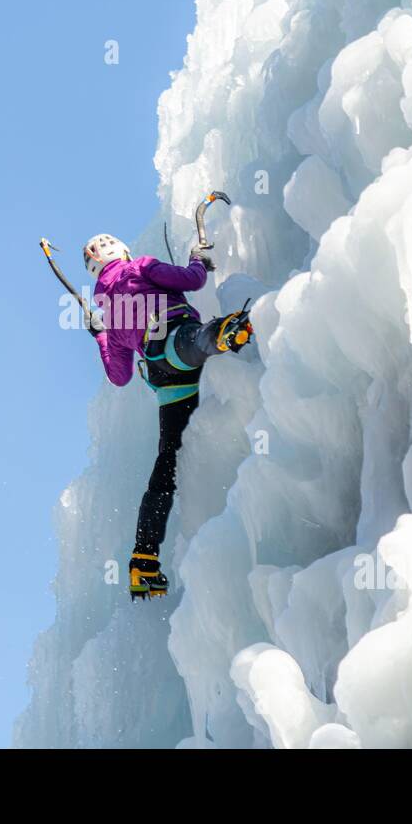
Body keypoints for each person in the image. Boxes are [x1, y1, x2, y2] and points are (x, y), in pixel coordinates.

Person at [83, 233, 252, 600]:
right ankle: (225, 333)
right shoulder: (139, 266)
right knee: (194, 341)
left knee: (167, 466)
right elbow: (193, 281)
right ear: (122, 252)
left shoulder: (110, 315)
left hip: (163, 377)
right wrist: (196, 260)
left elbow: (120, 375)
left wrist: (99, 335)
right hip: (176, 340)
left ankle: (144, 559)